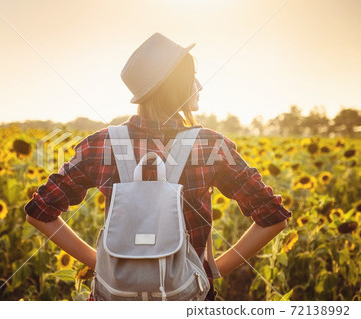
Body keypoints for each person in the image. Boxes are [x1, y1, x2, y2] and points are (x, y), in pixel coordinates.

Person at [24, 32, 292, 301]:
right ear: (174, 84)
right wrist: (211, 270)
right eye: (192, 76)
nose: (199, 84)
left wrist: (100, 264)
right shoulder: (211, 146)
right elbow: (273, 218)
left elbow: (40, 213)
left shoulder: (100, 145)